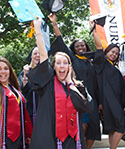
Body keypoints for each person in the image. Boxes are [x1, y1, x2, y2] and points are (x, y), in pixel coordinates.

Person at [27, 17, 94, 149]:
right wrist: (38, 31)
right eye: (58, 63)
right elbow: (43, 55)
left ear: (70, 66)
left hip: (72, 139)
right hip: (49, 136)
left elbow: (86, 106)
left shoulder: (78, 86)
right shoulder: (48, 83)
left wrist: (70, 83)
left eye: (65, 63)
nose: (62, 66)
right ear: (53, 67)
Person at [47, 13, 101, 149]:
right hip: (76, 97)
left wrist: (100, 102)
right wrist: (54, 23)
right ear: (74, 49)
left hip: (91, 98)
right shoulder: (72, 59)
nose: (81, 48)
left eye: (83, 45)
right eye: (77, 46)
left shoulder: (91, 61)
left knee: (93, 129)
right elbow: (61, 41)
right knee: (81, 127)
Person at [89, 20, 125, 149]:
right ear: (106, 52)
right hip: (108, 100)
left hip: (115, 101)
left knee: (112, 129)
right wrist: (94, 30)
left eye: (116, 53)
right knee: (122, 125)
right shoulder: (102, 64)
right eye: (112, 51)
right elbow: (99, 47)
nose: (114, 54)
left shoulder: (115, 69)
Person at [18, 47, 40, 125]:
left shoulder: (47, 72)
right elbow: (22, 91)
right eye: (35, 54)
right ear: (31, 57)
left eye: (40, 53)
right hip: (30, 109)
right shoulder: (26, 71)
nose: (38, 55)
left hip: (44, 109)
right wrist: (25, 75)